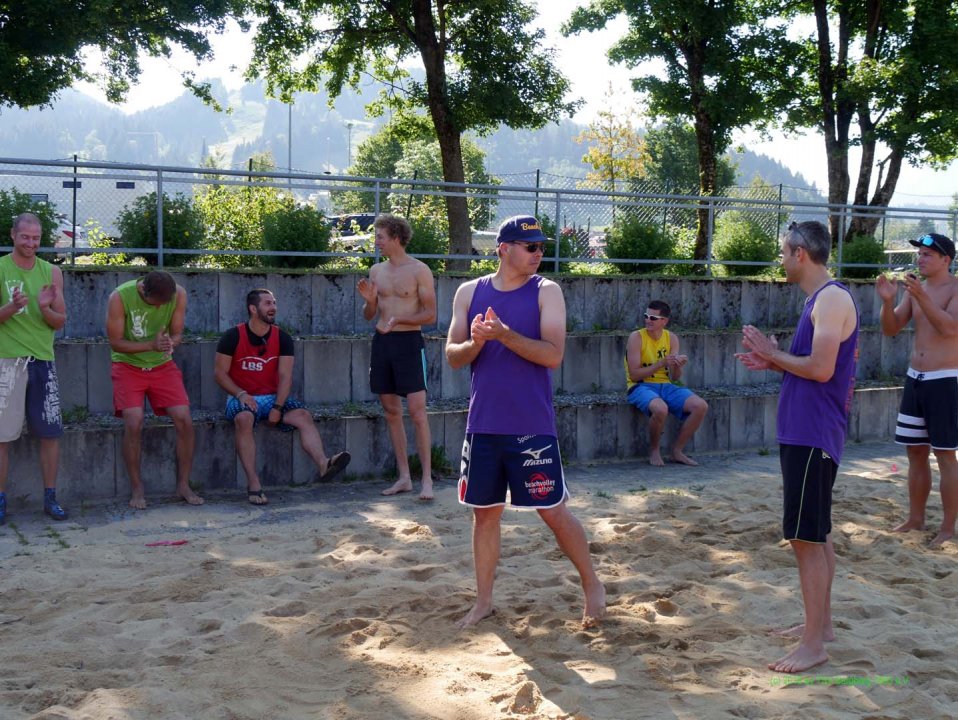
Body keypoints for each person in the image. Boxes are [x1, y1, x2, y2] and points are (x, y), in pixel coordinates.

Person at [446, 214, 606, 629]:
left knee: (552, 511)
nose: (539, 254)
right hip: (483, 423)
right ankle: (483, 601)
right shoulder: (469, 292)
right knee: (484, 514)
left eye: (541, 247)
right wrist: (477, 342)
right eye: (530, 247)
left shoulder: (547, 291)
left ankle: (592, 585)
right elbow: (453, 356)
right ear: (504, 249)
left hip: (531, 425)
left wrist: (504, 335)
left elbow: (553, 355)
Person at [736, 220, 859, 674]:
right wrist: (773, 364)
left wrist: (772, 354)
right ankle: (820, 627)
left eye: (784, 253)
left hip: (812, 434)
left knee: (805, 538)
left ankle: (813, 644)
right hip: (808, 431)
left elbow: (823, 369)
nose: (782, 260)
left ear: (800, 253)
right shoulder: (822, 299)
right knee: (818, 534)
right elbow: (810, 368)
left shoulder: (830, 299)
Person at [214, 288, 351, 504]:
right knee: (244, 418)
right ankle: (253, 482)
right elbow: (220, 374)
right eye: (267, 303)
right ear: (253, 308)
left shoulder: (283, 337)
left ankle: (324, 464)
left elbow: (285, 377)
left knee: (303, 415)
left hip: (270, 397)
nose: (273, 308)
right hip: (240, 396)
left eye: (274, 303)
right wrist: (241, 394)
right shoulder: (233, 336)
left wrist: (277, 407)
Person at [876, 233, 958, 548]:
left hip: (945, 380)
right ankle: (916, 519)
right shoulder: (917, 289)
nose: (920, 259)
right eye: (920, 254)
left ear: (946, 260)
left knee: (946, 455)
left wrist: (919, 296)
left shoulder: (953, 289)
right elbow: (890, 329)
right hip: (916, 378)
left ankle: (948, 527)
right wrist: (887, 302)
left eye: (927, 254)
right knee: (915, 452)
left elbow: (950, 328)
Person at [356, 213, 437, 500]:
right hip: (383, 343)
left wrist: (398, 322)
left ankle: (426, 479)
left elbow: (430, 314)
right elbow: (370, 316)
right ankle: (404, 477)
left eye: (380, 236)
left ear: (396, 237)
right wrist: (370, 303)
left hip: (408, 343)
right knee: (391, 412)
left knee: (417, 412)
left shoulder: (419, 270)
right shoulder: (376, 270)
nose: (376, 241)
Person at [106, 270, 203, 509]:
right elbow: (115, 342)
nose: (161, 308)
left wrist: (171, 342)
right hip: (127, 365)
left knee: (184, 419)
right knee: (134, 421)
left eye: (165, 303)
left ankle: (183, 484)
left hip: (162, 364)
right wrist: (150, 344)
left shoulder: (178, 294)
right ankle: (137, 488)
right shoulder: (120, 297)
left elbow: (178, 332)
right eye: (156, 303)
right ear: (143, 291)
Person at [0, 213, 68, 523]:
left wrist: (44, 307)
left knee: (49, 434)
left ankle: (50, 498)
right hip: (7, 360)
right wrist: (12, 308)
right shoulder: (0, 268)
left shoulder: (52, 272)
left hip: (43, 360)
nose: (30, 243)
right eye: (25, 237)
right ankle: (1, 501)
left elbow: (60, 321)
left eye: (36, 238)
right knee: (1, 437)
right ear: (13, 235)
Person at [625, 299, 709, 466]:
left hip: (666, 385)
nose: (648, 320)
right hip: (640, 386)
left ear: (664, 321)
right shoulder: (636, 337)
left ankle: (677, 451)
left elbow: (675, 377)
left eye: (653, 318)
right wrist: (661, 364)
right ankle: (654, 451)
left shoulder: (671, 338)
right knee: (660, 408)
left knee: (701, 406)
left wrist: (678, 366)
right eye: (646, 316)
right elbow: (634, 375)